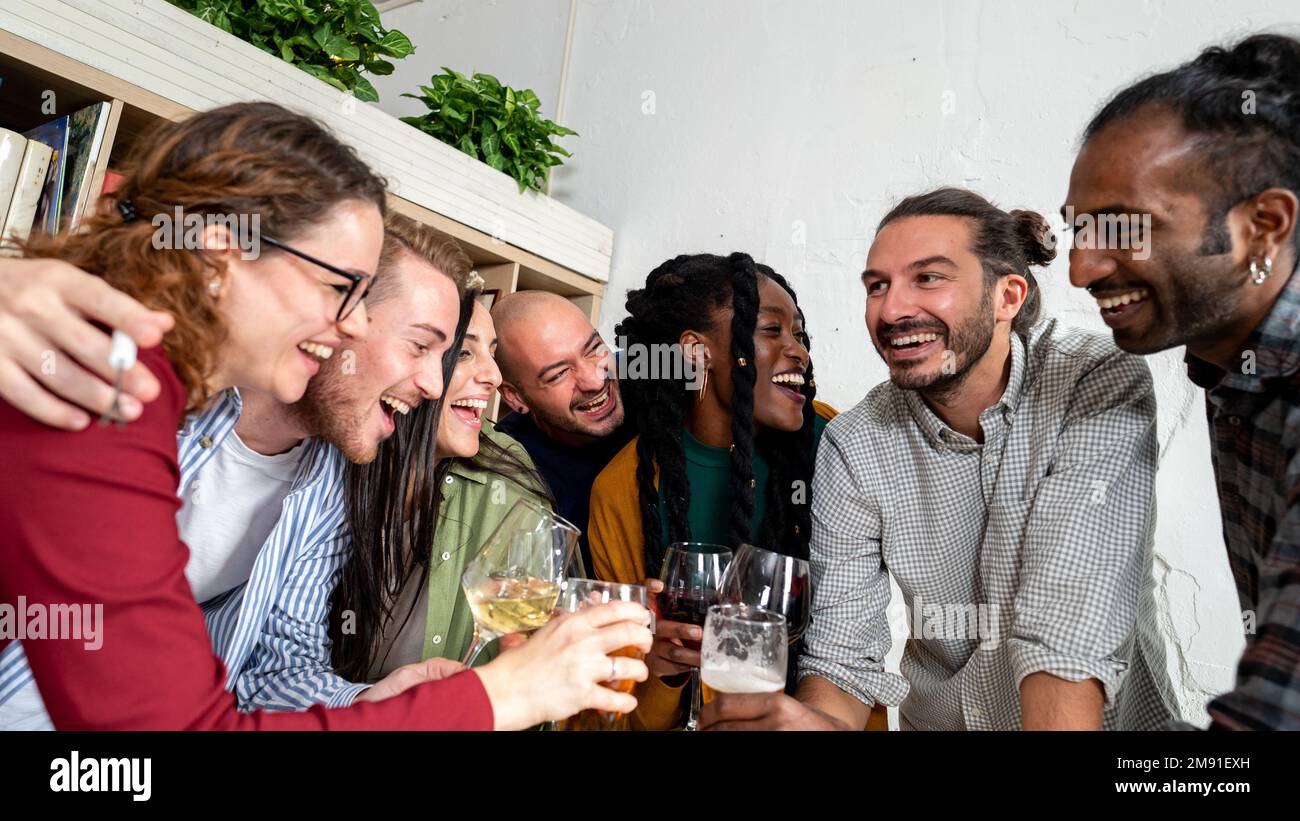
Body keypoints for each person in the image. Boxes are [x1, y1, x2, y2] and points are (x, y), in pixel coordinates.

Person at [0, 101, 651, 730]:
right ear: (223, 253)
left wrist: (380, 698)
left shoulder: (320, 477)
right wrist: (493, 698)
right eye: (341, 288)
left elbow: (262, 676)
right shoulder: (98, 373)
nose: (353, 325)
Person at [703, 189, 1172, 731]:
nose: (893, 308)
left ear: (1007, 297)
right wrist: (812, 725)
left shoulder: (1095, 381)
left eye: (928, 278)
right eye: (878, 285)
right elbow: (842, 660)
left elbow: (1066, 640)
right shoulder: (855, 442)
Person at [0, 212, 476, 726]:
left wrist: (366, 703)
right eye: (420, 345)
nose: (433, 385)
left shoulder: (327, 489)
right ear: (339, 317)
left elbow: (275, 666)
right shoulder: (130, 383)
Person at [1064, 32, 1300, 729]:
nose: (1081, 270)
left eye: (1120, 228)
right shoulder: (1235, 372)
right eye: (1078, 229)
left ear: (1263, 228)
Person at [588, 252, 836, 730]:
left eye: (799, 334)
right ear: (696, 352)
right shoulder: (624, 488)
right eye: (772, 330)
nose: (799, 351)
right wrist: (663, 667)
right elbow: (618, 708)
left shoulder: (831, 444)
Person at [334, 293, 555, 680]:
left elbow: (537, 659)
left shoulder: (506, 473)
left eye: (492, 352)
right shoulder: (328, 464)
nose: (495, 376)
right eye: (465, 353)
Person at [492, 291, 633, 573]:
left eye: (594, 348)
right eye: (558, 374)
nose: (594, 380)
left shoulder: (656, 381)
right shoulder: (508, 470)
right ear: (515, 398)